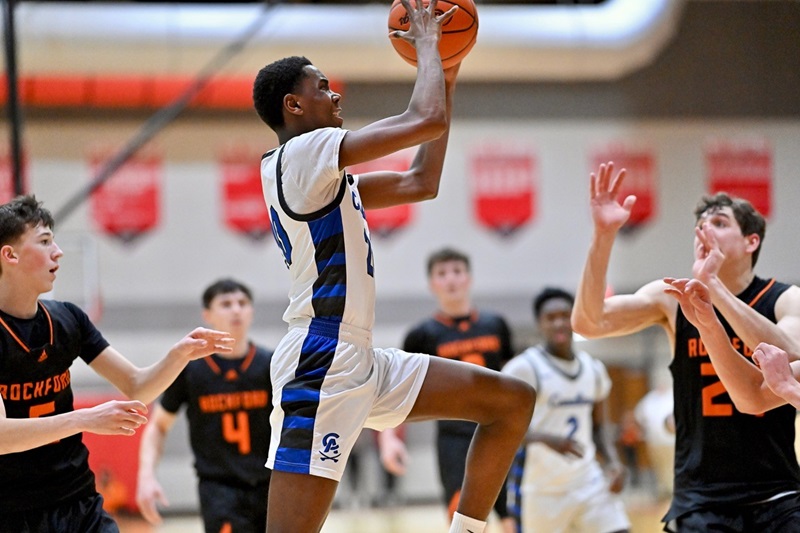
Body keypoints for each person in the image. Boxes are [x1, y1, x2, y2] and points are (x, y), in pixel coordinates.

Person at [251, 2, 536, 531]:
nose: (335, 94)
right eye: (321, 86)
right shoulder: (302, 153)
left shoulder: (317, 175)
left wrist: (446, 74)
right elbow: (421, 121)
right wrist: (429, 45)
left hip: (359, 356)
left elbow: (418, 182)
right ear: (293, 105)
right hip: (321, 361)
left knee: (511, 400)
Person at [571, 161, 800, 532]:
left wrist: (717, 290)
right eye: (701, 225)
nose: (704, 230)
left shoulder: (785, 300)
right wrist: (603, 236)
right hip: (701, 497)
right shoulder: (675, 299)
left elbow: (791, 356)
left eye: (720, 223)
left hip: (776, 493)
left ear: (751, 241)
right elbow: (589, 322)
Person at [0, 195, 233, 533]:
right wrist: (86, 418)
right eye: (45, 241)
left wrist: (180, 354)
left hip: (77, 501)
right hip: (13, 511)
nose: (58, 251)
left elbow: (137, 386)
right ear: (10, 255)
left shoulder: (69, 319)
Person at [379, 247, 515, 532]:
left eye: (457, 271)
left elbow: (518, 381)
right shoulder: (422, 335)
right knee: (463, 517)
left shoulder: (496, 325)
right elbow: (396, 391)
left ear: (469, 278)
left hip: (500, 431)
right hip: (453, 440)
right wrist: (389, 439)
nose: (451, 279)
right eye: (442, 274)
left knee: (512, 517)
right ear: (432, 284)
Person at [136, 278, 273, 532]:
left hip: (272, 486)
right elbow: (159, 426)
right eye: (226, 303)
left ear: (251, 312)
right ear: (207, 315)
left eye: (242, 303)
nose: (235, 310)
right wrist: (146, 475)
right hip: (219, 489)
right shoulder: (191, 370)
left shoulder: (271, 365)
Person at [503, 287, 629, 533]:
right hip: (540, 488)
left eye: (565, 315)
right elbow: (501, 428)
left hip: (587, 481)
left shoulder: (594, 370)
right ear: (540, 324)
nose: (559, 323)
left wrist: (614, 463)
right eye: (551, 318)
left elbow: (599, 428)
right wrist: (545, 439)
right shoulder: (524, 369)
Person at [633, 369, 674, 500]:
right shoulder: (650, 398)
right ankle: (663, 491)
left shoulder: (673, 397)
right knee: (659, 466)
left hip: (671, 441)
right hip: (654, 441)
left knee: (672, 466)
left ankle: (673, 492)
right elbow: (638, 416)